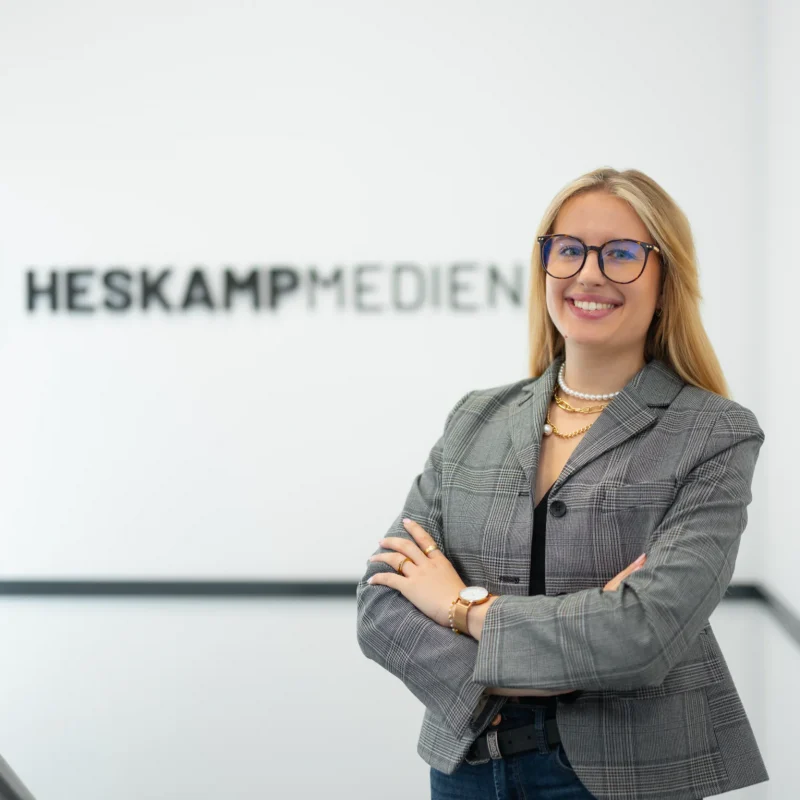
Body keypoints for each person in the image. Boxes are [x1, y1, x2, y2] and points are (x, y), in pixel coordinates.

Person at [355, 167, 768, 800]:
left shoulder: (713, 432)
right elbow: (381, 604)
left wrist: (464, 608)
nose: (589, 273)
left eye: (623, 253)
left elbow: (643, 634)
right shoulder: (476, 418)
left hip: (626, 777)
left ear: (667, 278)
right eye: (568, 249)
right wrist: (532, 671)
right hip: (469, 769)